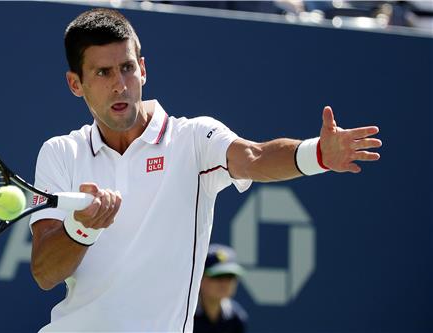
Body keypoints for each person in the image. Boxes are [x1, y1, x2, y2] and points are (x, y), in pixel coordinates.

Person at [28, 8, 381, 332]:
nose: (120, 84)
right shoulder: (60, 153)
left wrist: (316, 154)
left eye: (127, 68)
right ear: (76, 83)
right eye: (103, 72)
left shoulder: (194, 140)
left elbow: (254, 157)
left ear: (143, 69)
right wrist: (82, 228)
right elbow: (45, 273)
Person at [194, 244, 248, 333]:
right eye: (218, 277)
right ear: (200, 279)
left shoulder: (237, 318)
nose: (224, 284)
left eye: (230, 276)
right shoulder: (186, 316)